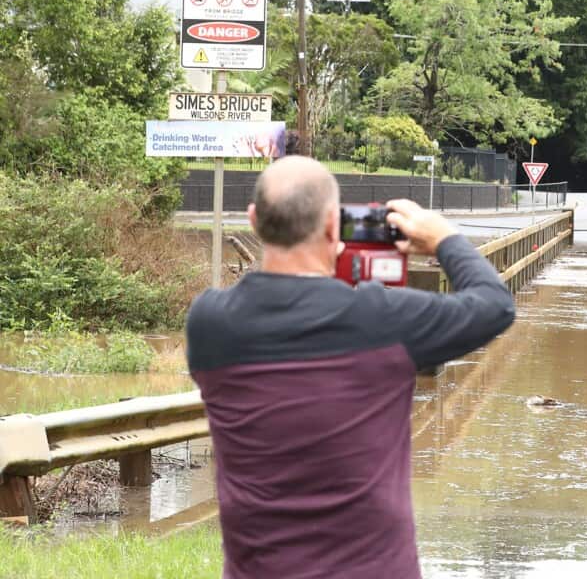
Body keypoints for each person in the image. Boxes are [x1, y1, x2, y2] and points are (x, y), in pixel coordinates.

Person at [186, 156, 515, 579]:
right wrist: (443, 238)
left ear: (253, 220)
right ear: (332, 227)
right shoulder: (386, 319)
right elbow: (495, 306)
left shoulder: (210, 323)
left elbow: (282, 319)